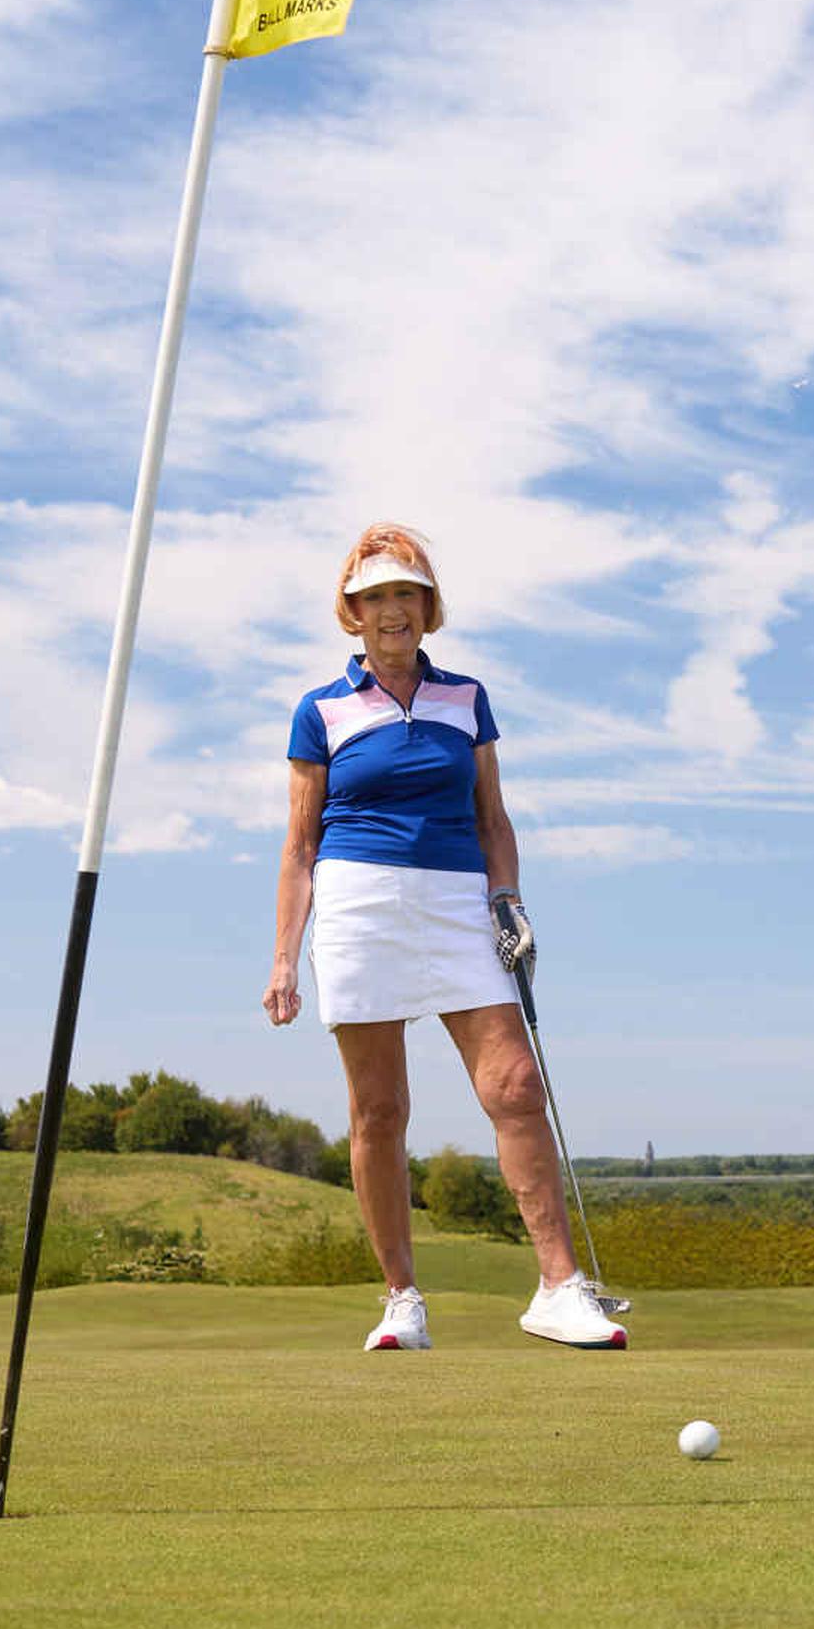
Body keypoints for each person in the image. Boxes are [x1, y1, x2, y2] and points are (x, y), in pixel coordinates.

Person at [263, 522, 626, 1351]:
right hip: (357, 906)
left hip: (459, 901)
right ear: (351, 614)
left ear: (429, 608)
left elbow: (493, 817)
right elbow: (300, 845)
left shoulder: (466, 698)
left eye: (406, 594)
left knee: (515, 1085)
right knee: (380, 1110)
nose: (392, 610)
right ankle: (401, 1300)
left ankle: (559, 1289)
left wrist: (509, 897)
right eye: (375, 597)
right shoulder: (320, 710)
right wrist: (285, 956)